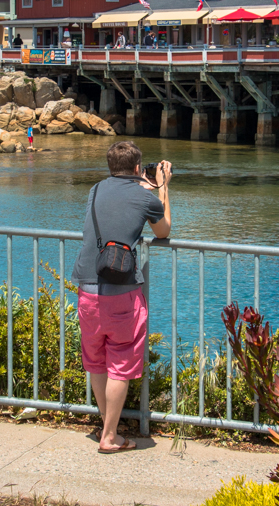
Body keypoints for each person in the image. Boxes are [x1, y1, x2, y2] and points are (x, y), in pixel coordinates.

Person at [72, 141, 172, 453]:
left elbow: (116, 208)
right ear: (138, 168)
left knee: (97, 361)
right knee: (120, 363)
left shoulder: (95, 191)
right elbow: (163, 231)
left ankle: (107, 426)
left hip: (87, 288)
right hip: (122, 292)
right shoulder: (146, 197)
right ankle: (109, 435)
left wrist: (143, 183)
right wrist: (163, 188)